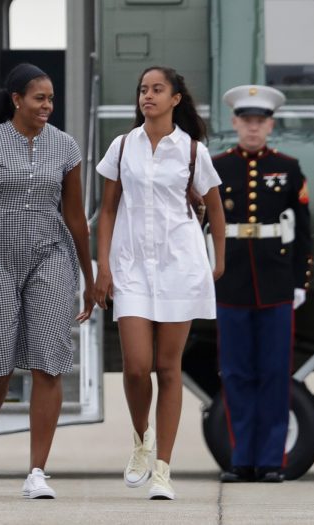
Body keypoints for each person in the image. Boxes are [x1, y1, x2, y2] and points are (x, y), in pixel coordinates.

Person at [0, 63, 95, 499]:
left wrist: (90, 276)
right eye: (39, 98)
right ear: (16, 100)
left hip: (50, 255)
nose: (47, 106)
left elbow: (76, 217)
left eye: (50, 98)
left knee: (50, 361)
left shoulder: (66, 147)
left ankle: (37, 472)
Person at [94, 66, 226, 500]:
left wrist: (218, 261)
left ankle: (164, 471)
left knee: (169, 370)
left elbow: (216, 209)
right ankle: (140, 440)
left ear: (175, 100)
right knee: (136, 366)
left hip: (179, 266)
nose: (147, 96)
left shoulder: (192, 151)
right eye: (142, 90)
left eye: (156, 90)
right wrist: (104, 266)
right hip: (131, 266)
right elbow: (109, 209)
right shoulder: (122, 146)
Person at [212, 85, 313, 483]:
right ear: (235, 122)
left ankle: (272, 460)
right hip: (232, 281)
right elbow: (200, 223)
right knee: (236, 373)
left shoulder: (288, 168)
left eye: (260, 122)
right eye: (246, 121)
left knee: (274, 372)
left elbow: (303, 232)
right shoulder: (218, 168)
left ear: (270, 124)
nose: (253, 128)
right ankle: (242, 459)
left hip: (274, 283)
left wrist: (300, 282)